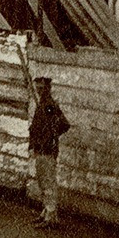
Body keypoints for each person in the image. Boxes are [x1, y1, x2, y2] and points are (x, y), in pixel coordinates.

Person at [27, 77, 70, 227]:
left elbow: (64, 124)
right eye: (37, 88)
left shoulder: (49, 106)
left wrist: (51, 137)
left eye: (42, 88)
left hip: (47, 150)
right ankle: (46, 212)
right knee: (42, 181)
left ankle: (51, 217)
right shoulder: (43, 105)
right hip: (41, 149)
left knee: (48, 182)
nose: (39, 91)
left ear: (48, 89)